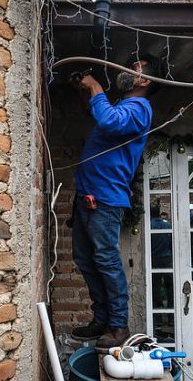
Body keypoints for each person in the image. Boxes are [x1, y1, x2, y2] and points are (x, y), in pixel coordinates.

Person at [68, 54, 165, 350]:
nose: (127, 70)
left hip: (106, 199)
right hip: (89, 196)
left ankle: (119, 326)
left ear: (144, 81)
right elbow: (104, 119)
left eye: (134, 68)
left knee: (106, 261)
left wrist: (96, 86)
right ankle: (101, 319)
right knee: (86, 260)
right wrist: (87, 94)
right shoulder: (125, 106)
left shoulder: (140, 106)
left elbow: (109, 122)